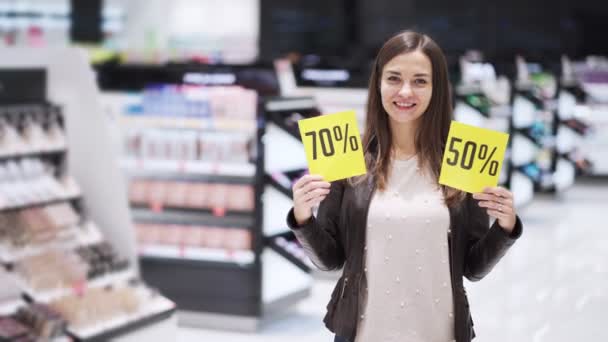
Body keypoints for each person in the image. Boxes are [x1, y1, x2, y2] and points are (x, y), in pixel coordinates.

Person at [286, 30, 523, 342]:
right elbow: (330, 259)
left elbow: (472, 267)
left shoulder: (464, 160)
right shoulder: (348, 159)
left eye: (420, 81)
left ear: (437, 89)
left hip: (439, 332)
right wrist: (303, 219)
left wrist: (505, 227)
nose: (405, 91)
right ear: (379, 83)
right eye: (394, 78)